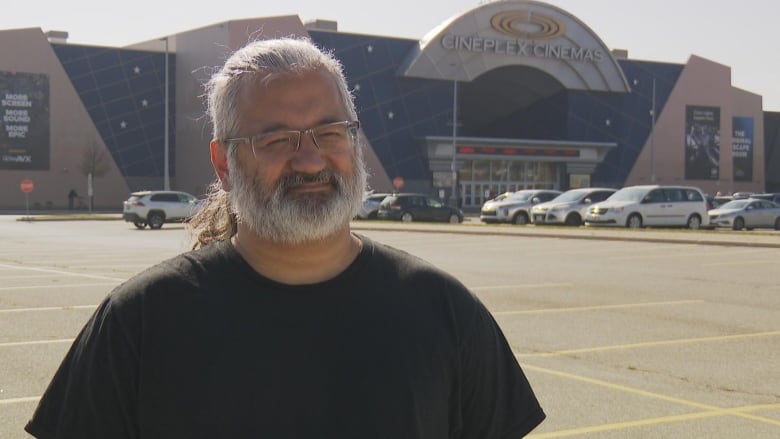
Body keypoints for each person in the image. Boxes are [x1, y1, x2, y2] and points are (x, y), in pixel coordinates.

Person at [26, 37, 545, 438]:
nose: (311, 158)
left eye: (329, 132)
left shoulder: (444, 310)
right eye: (276, 139)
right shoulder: (140, 320)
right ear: (224, 162)